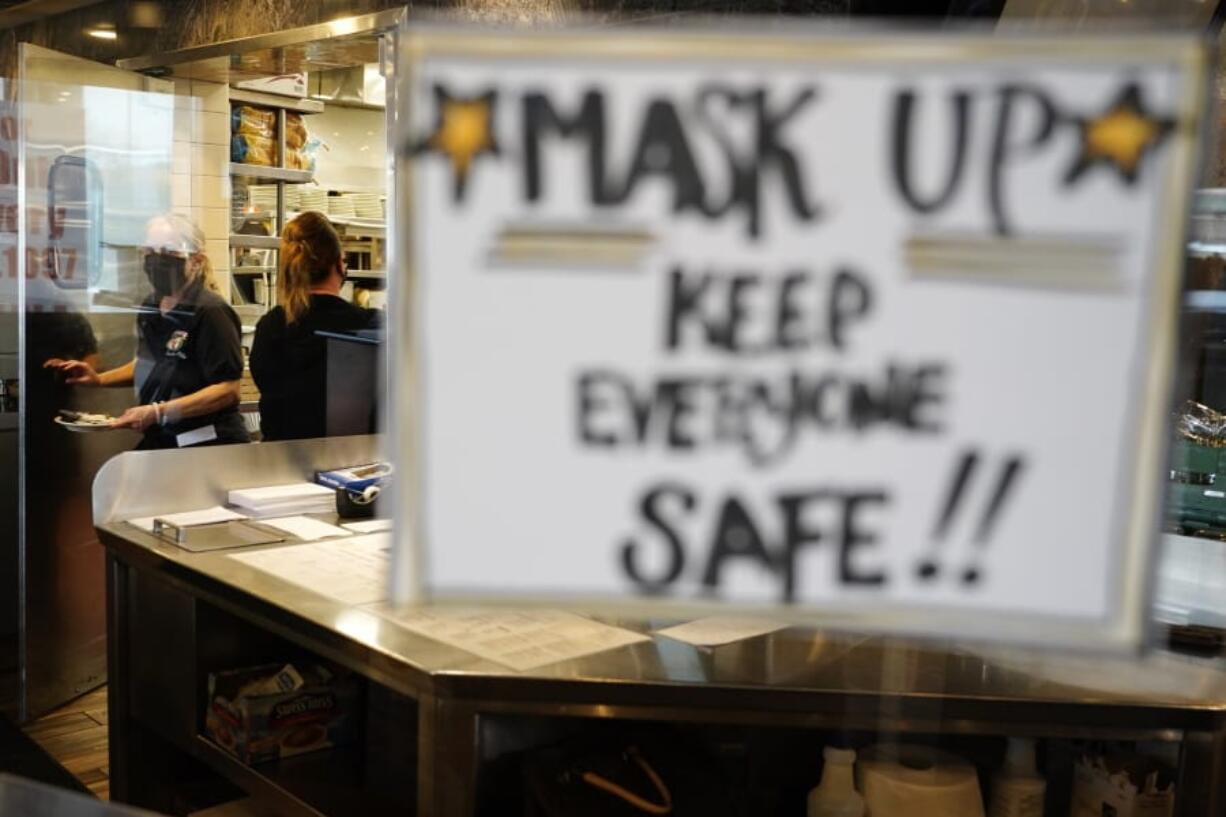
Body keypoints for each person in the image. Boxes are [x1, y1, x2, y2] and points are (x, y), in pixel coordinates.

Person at [44, 213, 249, 449]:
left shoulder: (210, 311)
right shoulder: (151, 306)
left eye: (169, 251)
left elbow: (228, 390)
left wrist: (157, 412)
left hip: (207, 441)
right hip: (165, 437)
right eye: (149, 251)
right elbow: (149, 362)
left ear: (196, 261)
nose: (156, 259)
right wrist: (98, 379)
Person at [250, 211, 380, 441]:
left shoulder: (270, 327)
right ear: (339, 265)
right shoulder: (370, 325)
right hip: (352, 464)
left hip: (280, 464)